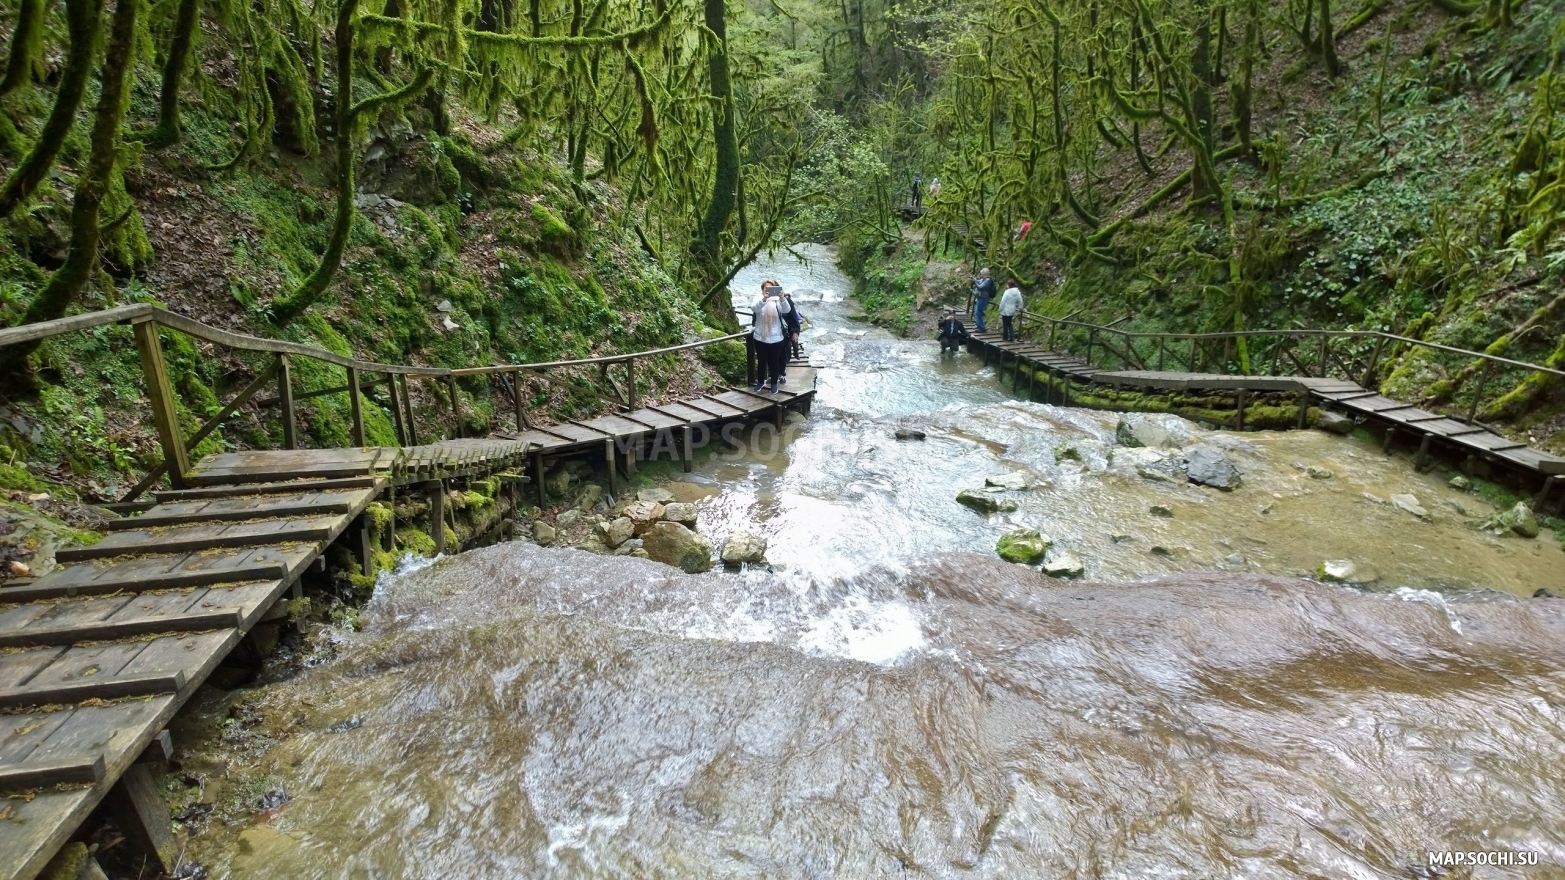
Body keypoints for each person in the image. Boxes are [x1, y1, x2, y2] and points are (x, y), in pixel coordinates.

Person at [751, 280, 794, 394]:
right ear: (762, 289)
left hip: (776, 337)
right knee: (761, 360)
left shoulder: (778, 301)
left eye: (771, 288)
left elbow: (787, 310)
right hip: (760, 337)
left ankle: (774, 383)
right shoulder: (758, 298)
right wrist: (764, 299)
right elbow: (754, 309)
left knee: (774, 361)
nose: (768, 291)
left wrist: (783, 298)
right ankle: (760, 382)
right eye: (766, 289)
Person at [971, 268, 996, 333]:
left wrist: (975, 281)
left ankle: (982, 328)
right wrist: (974, 279)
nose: (981, 275)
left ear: (985, 274)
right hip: (980, 298)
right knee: (977, 312)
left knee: (979, 313)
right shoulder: (984, 279)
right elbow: (979, 281)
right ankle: (978, 325)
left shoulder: (988, 280)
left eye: (981, 274)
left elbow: (980, 287)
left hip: (984, 298)